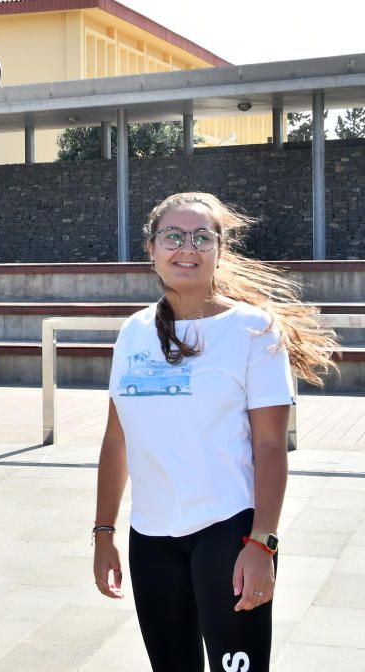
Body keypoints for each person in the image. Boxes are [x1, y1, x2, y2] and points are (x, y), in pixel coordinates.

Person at [92, 193, 338, 672]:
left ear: (219, 251)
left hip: (229, 533)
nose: (188, 248)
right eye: (174, 236)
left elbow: (270, 446)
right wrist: (104, 533)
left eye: (202, 237)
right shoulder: (133, 333)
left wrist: (261, 543)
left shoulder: (253, 329)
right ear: (151, 247)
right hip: (151, 538)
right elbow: (116, 441)